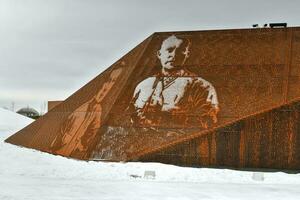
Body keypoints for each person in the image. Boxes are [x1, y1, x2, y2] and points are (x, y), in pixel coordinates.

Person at [129, 35, 219, 129]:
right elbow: (132, 117)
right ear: (159, 54)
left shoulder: (201, 86)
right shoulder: (143, 85)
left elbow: (207, 123)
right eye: (169, 50)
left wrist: (166, 115)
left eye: (180, 50)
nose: (173, 55)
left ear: (187, 54)